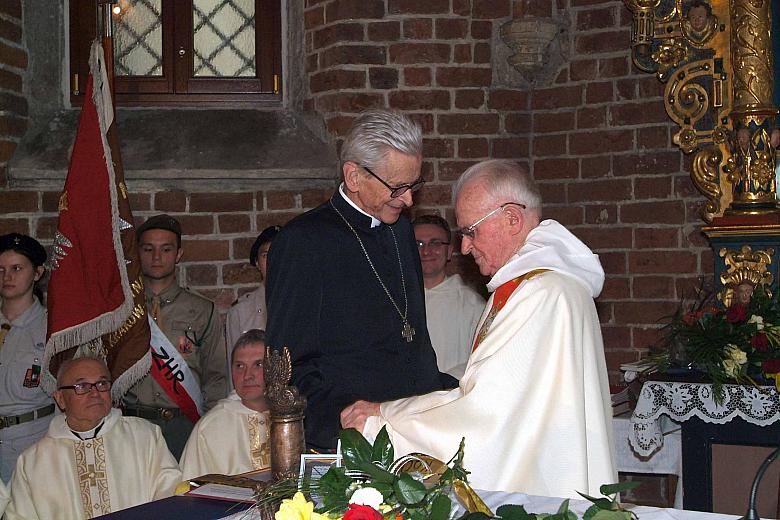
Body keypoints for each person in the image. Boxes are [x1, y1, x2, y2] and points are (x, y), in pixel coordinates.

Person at [341, 159, 617, 497]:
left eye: (471, 231)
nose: (465, 247)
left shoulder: (541, 295)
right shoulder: (536, 286)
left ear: (512, 219)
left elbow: (485, 416)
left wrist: (382, 421)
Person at [265, 109, 457, 452]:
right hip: (352, 443)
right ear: (354, 177)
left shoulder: (400, 230)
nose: (409, 200)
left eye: (413, 185)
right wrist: (345, 425)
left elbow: (411, 339)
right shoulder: (303, 243)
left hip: (415, 431)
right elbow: (288, 369)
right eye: (397, 187)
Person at [6, 356, 181, 519]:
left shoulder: (144, 436)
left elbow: (170, 492)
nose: (95, 392)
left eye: (102, 383)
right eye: (82, 386)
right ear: (60, 399)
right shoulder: (32, 462)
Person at [123, 214, 227, 459]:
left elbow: (216, 378)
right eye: (148, 249)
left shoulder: (202, 310)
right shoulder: (122, 310)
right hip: (133, 425)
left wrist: (210, 430)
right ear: (138, 253)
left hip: (185, 426)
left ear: (178, 254)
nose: (156, 257)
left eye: (166, 249)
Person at [0, 233, 56, 483]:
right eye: (1, 269)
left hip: (31, 444)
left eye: (16, 268)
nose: (7, 277)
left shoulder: (52, 330)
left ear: (37, 273)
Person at [180, 329, 271, 480]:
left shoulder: (294, 417)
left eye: (258, 364)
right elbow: (191, 488)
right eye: (240, 366)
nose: (247, 375)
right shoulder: (210, 427)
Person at [412, 215, 485, 378]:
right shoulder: (394, 303)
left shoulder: (474, 306)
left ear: (449, 251)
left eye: (435, 243)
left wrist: (440, 383)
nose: (426, 251)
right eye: (418, 244)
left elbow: (481, 360)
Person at [225, 225, 280, 353]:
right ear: (257, 262)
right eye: (266, 255)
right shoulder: (240, 313)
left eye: (280, 253)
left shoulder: (306, 308)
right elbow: (234, 362)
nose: (273, 261)